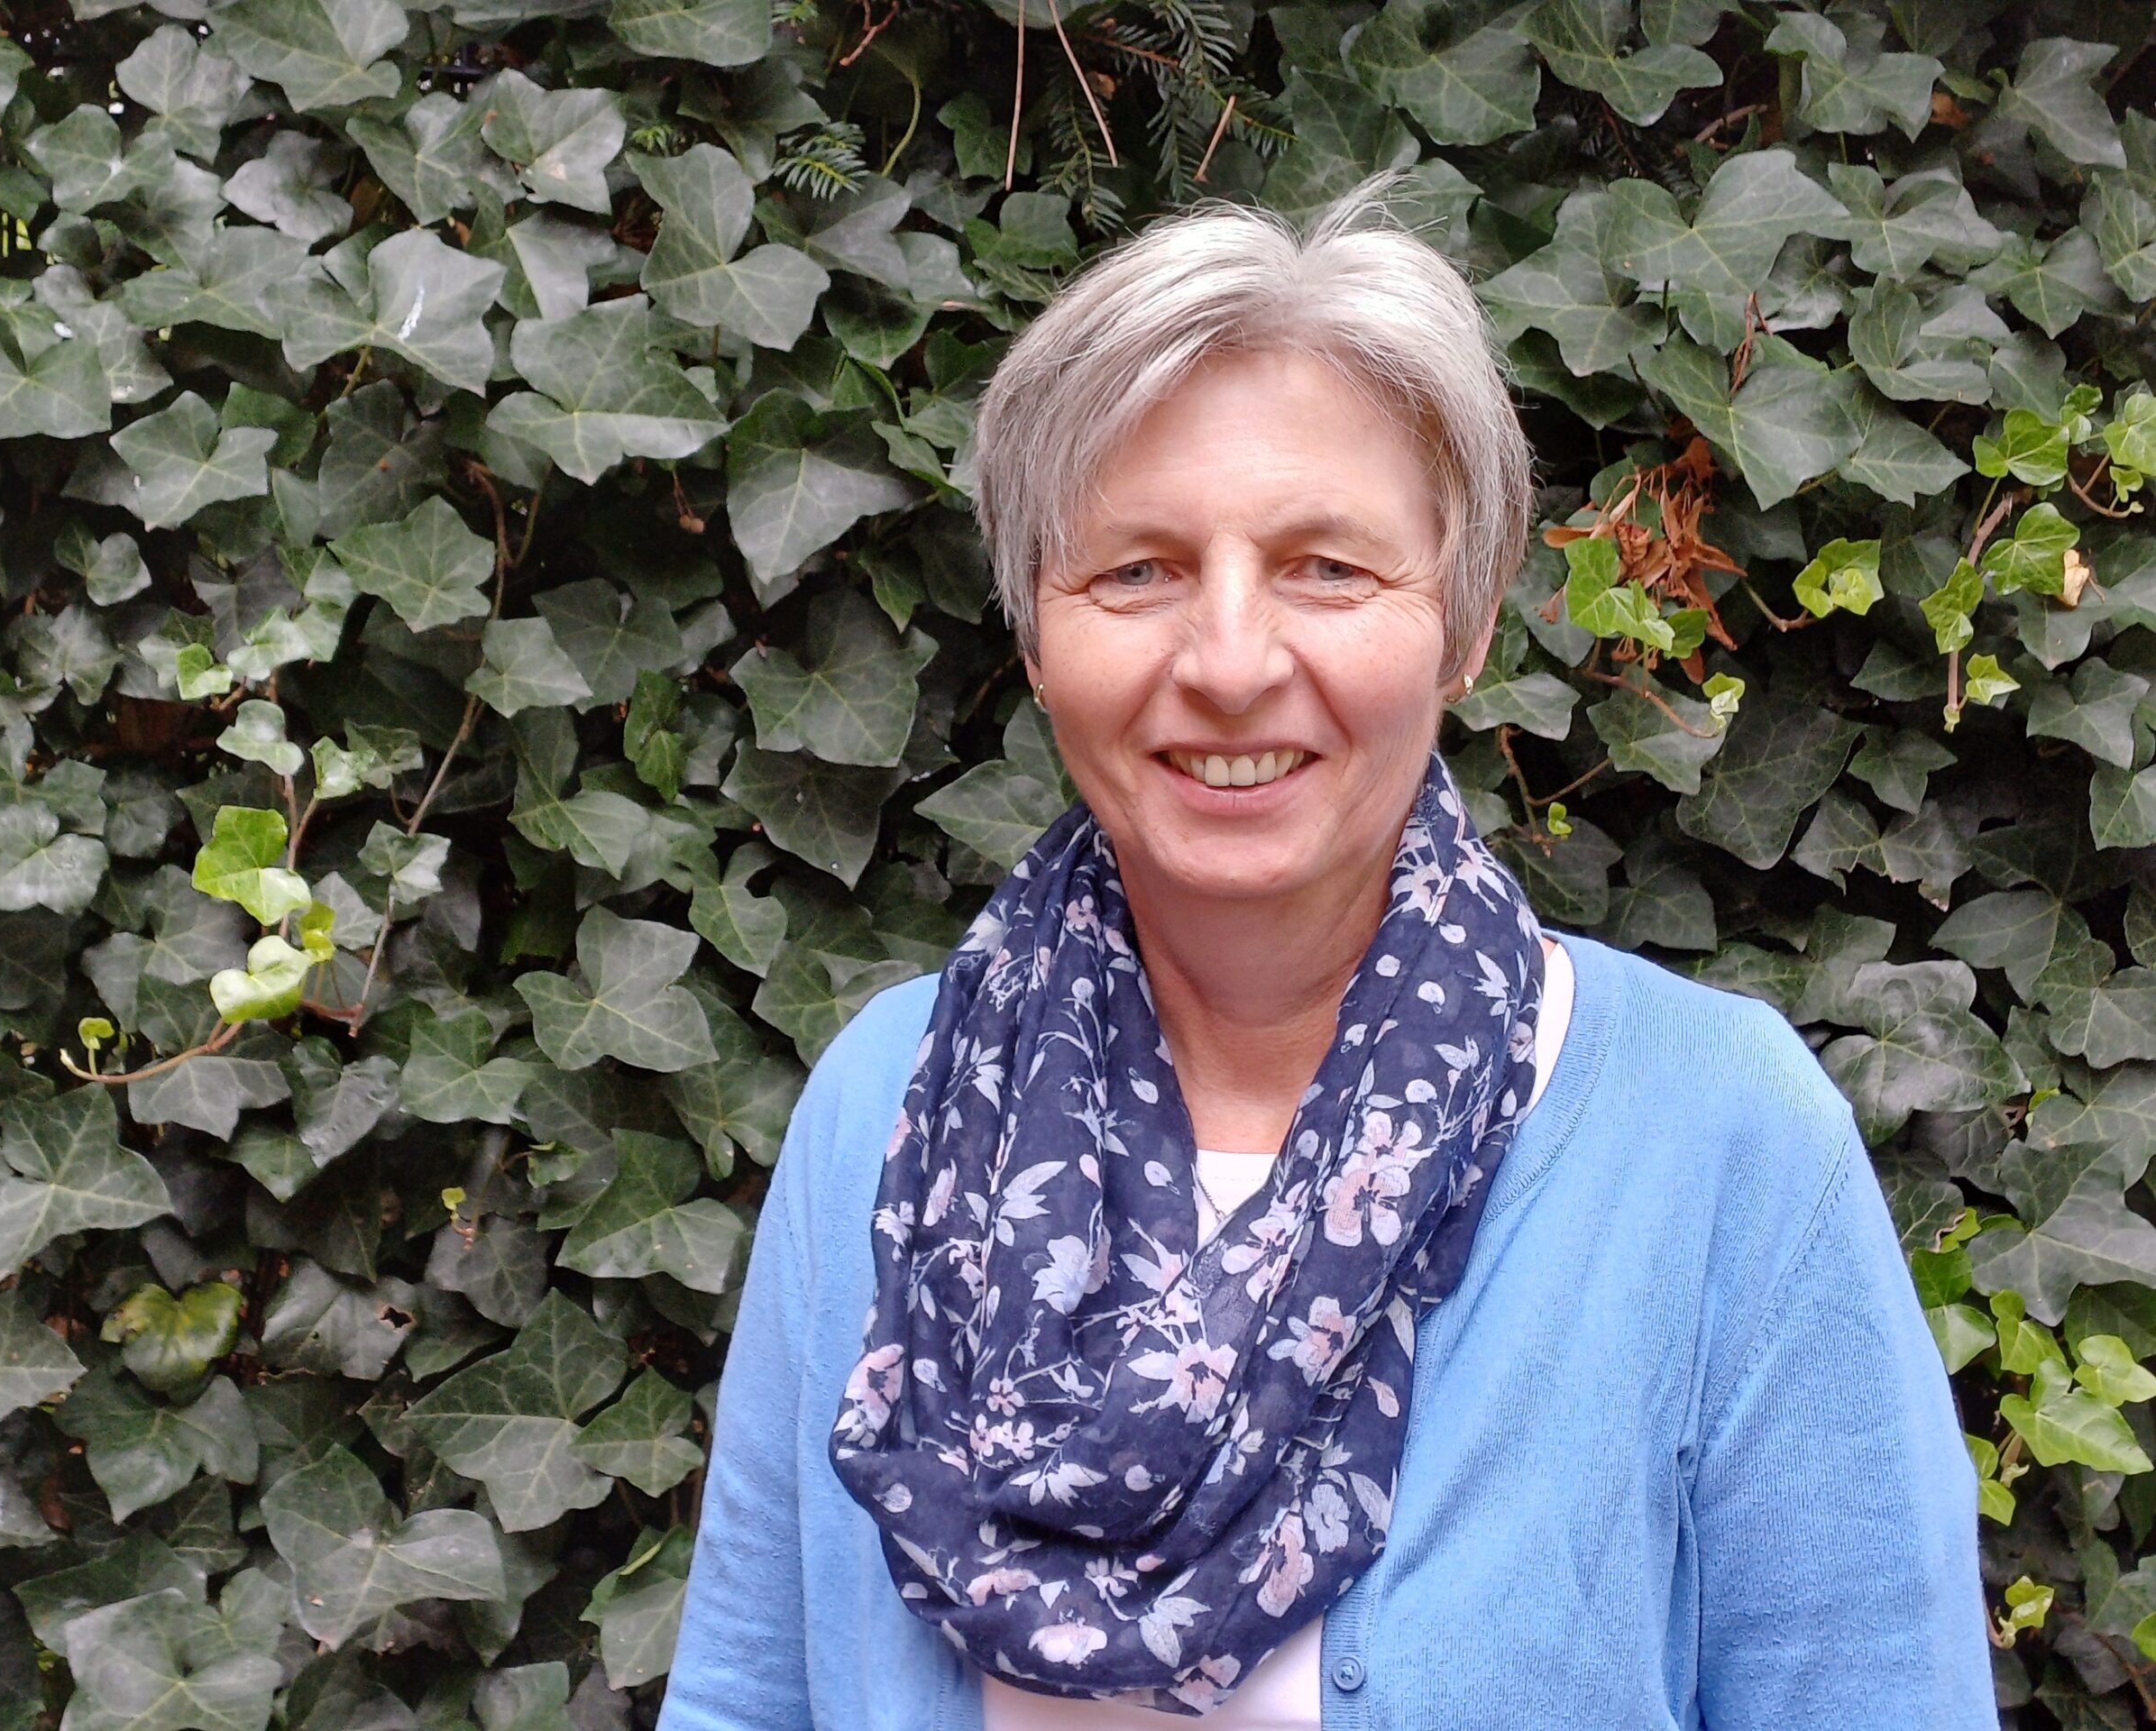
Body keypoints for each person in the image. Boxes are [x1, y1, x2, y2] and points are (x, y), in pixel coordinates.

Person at [658, 175, 1996, 1729]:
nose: (1231, 663)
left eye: (1329, 567)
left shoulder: (1719, 1142)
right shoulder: (885, 1104)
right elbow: (744, 1701)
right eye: (1137, 570)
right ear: (1035, 633)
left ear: (1468, 620)